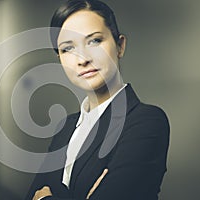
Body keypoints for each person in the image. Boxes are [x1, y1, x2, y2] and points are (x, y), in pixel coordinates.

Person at [26, 0, 170, 199]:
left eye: (94, 41)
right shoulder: (65, 128)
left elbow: (39, 195)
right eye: (67, 49)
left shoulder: (146, 122)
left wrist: (46, 198)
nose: (82, 59)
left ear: (120, 46)